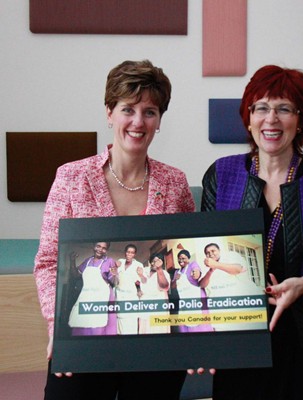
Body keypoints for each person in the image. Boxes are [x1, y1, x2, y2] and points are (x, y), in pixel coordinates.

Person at [197, 65, 303, 399]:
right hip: (239, 340)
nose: (271, 119)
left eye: (284, 108)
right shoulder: (222, 174)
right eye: (261, 107)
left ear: (301, 119)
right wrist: (206, 335)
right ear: (248, 118)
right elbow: (206, 254)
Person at [34, 59, 195, 400]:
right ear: (109, 112)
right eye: (128, 109)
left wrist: (191, 334)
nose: (138, 122)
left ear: (159, 120)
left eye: (150, 111)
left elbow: (182, 260)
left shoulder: (176, 182)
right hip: (85, 337)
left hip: (156, 342)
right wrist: (56, 328)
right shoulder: (71, 177)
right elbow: (49, 262)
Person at [199, 242, 264, 331]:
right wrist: (210, 271)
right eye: (208, 253)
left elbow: (238, 269)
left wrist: (216, 265)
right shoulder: (205, 266)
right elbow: (202, 284)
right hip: (221, 311)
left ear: (219, 250)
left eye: (213, 251)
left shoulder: (231, 255)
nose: (210, 254)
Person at [68, 242, 118, 335]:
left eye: (104, 248)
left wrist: (114, 275)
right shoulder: (87, 261)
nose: (100, 249)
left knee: (98, 324)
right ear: (93, 247)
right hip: (87, 296)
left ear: (106, 250)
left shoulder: (109, 261)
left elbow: (114, 282)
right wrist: (72, 260)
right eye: (98, 246)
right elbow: (75, 275)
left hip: (102, 296)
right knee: (82, 322)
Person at [171, 249, 213, 332]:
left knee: (200, 326)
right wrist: (175, 279)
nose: (181, 260)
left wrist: (196, 273)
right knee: (185, 324)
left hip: (197, 300)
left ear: (188, 258)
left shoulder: (192, 265)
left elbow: (197, 272)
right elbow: (172, 287)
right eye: (179, 259)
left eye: (183, 258)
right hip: (185, 302)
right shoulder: (177, 272)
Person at [114, 243, 145, 335]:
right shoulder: (120, 262)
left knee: (131, 321)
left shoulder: (138, 264)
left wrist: (139, 290)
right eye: (128, 252)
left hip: (131, 296)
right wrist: (116, 267)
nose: (129, 254)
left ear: (134, 254)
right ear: (125, 252)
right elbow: (115, 278)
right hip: (119, 294)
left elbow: (138, 281)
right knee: (120, 320)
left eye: (132, 253)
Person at [138, 253, 172, 334]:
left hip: (158, 309)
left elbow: (164, 286)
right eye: (153, 261)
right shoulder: (145, 270)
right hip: (145, 307)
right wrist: (138, 289)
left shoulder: (164, 273)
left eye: (157, 261)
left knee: (158, 331)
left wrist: (159, 269)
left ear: (161, 262)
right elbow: (139, 283)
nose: (154, 263)